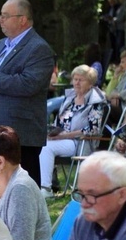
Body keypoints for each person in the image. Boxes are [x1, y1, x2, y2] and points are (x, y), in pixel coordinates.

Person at [0, 0, 56, 186]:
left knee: (21, 186)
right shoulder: (2, 44)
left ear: (22, 19)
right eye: (0, 15)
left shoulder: (39, 48)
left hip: (19, 131)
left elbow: (29, 84)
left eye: (4, 16)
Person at [39, 65, 107, 198]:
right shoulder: (70, 98)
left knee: (46, 147)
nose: (76, 82)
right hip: (64, 139)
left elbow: (93, 129)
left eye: (81, 80)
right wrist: (53, 131)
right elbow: (59, 122)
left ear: (90, 82)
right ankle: (45, 184)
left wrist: (65, 135)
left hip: (81, 142)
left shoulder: (96, 101)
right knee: (41, 141)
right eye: (75, 79)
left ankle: (46, 188)